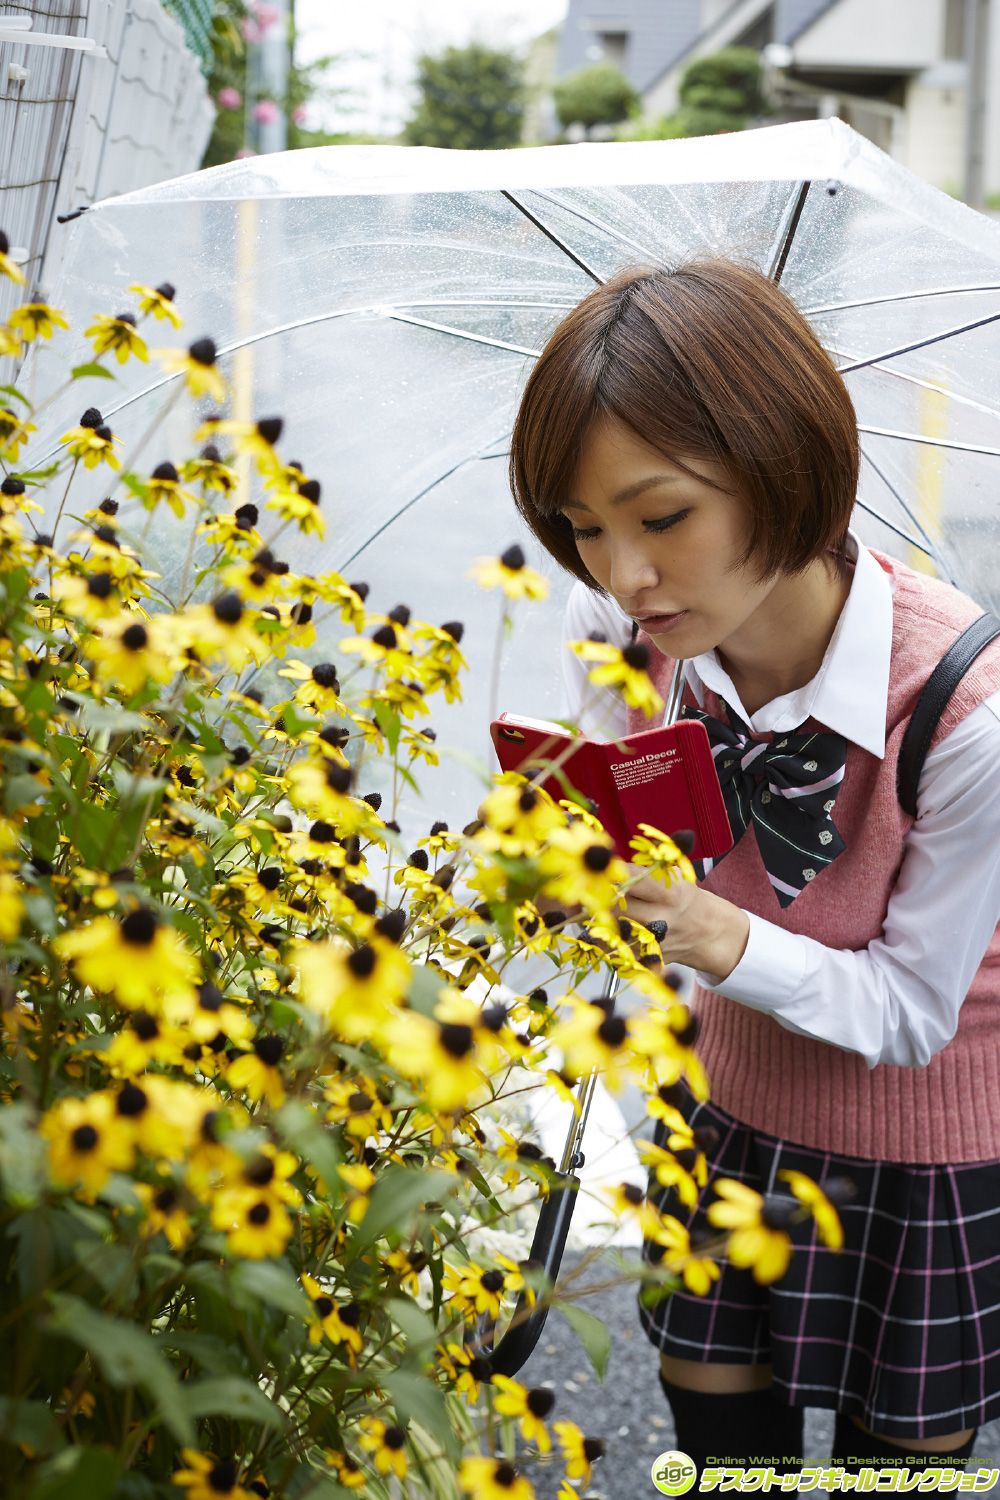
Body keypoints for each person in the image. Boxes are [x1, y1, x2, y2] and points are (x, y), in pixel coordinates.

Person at [506, 258, 1000, 1475]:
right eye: (582, 528)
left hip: (927, 1151)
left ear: (781, 469)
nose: (621, 574)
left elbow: (909, 1013)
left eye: (660, 517)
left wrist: (721, 939)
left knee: (897, 1465)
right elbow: (626, 837)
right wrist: (579, 865)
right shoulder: (620, 632)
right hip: (725, 1100)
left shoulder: (961, 709)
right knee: (718, 1447)